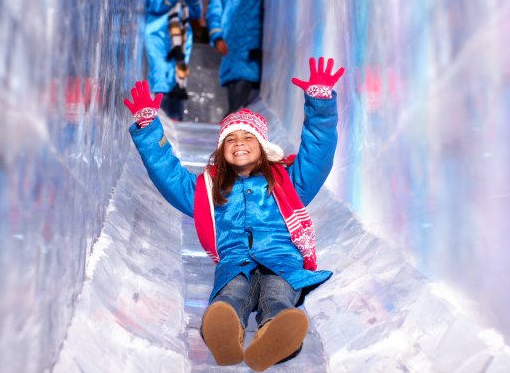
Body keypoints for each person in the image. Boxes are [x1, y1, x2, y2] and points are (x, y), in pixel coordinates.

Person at [124, 57, 345, 371]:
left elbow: (317, 155)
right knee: (232, 292)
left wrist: (320, 106)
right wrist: (149, 130)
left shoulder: (287, 182)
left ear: (263, 148)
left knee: (278, 294)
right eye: (230, 139)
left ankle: (275, 332)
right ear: (221, 152)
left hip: (281, 259)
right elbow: (169, 176)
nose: (239, 142)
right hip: (234, 261)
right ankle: (225, 329)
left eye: (247, 138)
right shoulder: (210, 190)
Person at [145, 0, 203, 121]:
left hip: (182, 36)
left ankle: (175, 124)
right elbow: (154, 5)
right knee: (161, 76)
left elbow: (196, 13)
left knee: (177, 78)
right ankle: (158, 123)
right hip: (158, 33)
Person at [206, 0, 267, 117]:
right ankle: (230, 134)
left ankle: (230, 132)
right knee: (236, 94)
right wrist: (217, 37)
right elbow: (213, 13)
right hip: (231, 46)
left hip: (253, 46)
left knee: (245, 97)